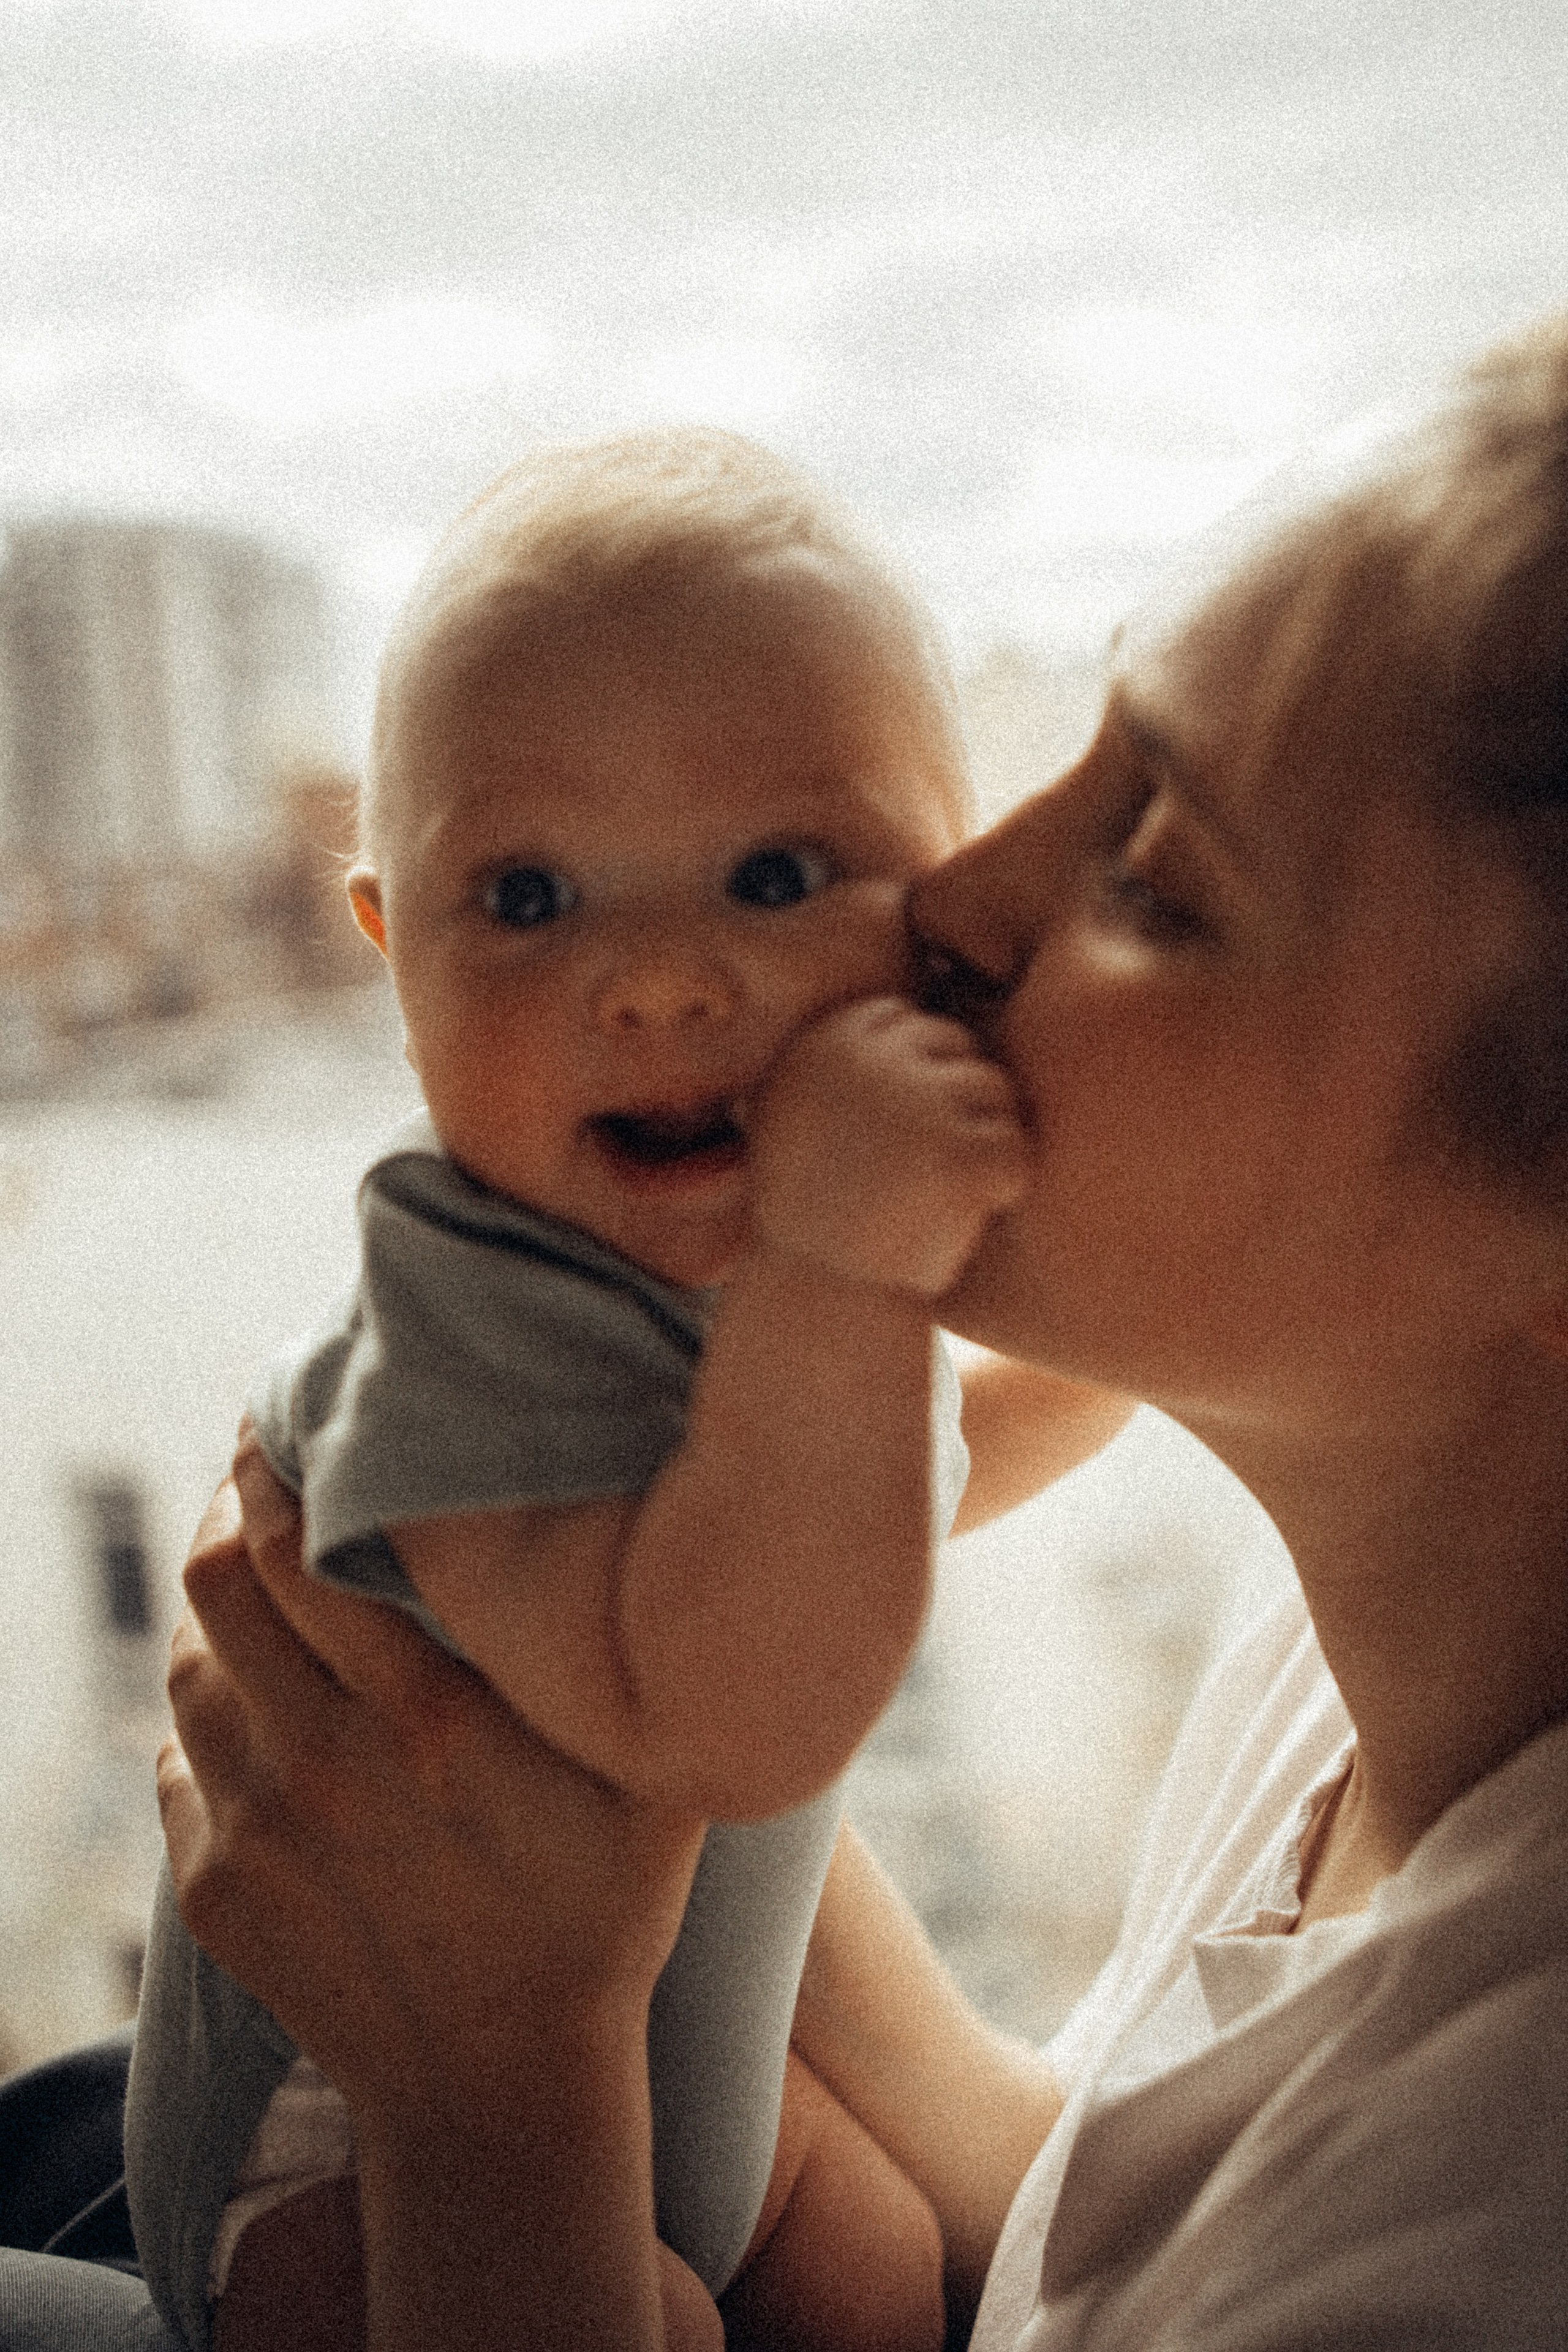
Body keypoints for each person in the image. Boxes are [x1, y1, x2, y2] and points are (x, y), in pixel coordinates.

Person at [146, 307, 1568, 2351]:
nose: (950, 900)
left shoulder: (1473, 2240)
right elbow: (1087, 2240)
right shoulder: (1371, 1680)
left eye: (1154, 873)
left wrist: (499, 2082)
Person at [123, 429, 1129, 2352]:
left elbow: (921, 1460)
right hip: (352, 2184)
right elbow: (720, 1713)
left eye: (773, 873)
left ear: (950, 901)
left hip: (675, 2055)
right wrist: (846, 1272)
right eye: (524, 899)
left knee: (877, 2268)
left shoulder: (724, 1291)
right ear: (385, 951)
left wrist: (1148, 1313)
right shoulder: (453, 1326)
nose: (661, 980)